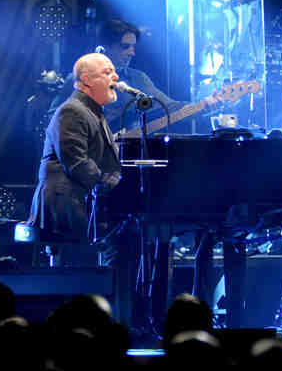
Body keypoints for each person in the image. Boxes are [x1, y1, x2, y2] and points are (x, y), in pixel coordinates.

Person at [49, 19, 218, 134]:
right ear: (105, 47)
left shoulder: (138, 79)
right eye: (125, 47)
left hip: (124, 159)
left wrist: (205, 104)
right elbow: (53, 117)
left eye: (133, 47)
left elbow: (170, 107)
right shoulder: (79, 79)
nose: (132, 52)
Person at [27, 52, 121, 243]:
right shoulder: (72, 111)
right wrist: (113, 185)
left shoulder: (91, 111)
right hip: (64, 206)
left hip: (77, 202)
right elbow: (77, 163)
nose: (116, 77)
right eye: (107, 72)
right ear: (86, 80)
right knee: (81, 257)